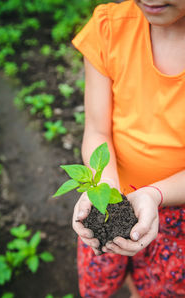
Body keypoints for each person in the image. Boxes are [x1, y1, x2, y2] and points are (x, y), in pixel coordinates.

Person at [71, 0, 185, 297]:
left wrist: (154, 194)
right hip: (117, 193)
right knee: (107, 269)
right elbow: (97, 130)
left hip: (179, 214)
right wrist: (106, 189)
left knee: (164, 286)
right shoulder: (110, 29)